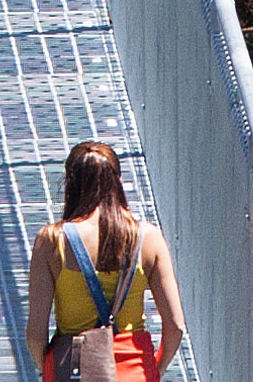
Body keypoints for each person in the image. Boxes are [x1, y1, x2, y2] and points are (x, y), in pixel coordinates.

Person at [25, 141, 185, 382]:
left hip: (74, 370)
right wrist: (155, 369)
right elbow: (175, 326)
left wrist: (52, 367)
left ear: (70, 185)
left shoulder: (51, 241)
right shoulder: (149, 238)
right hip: (135, 371)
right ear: (118, 181)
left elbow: (35, 335)